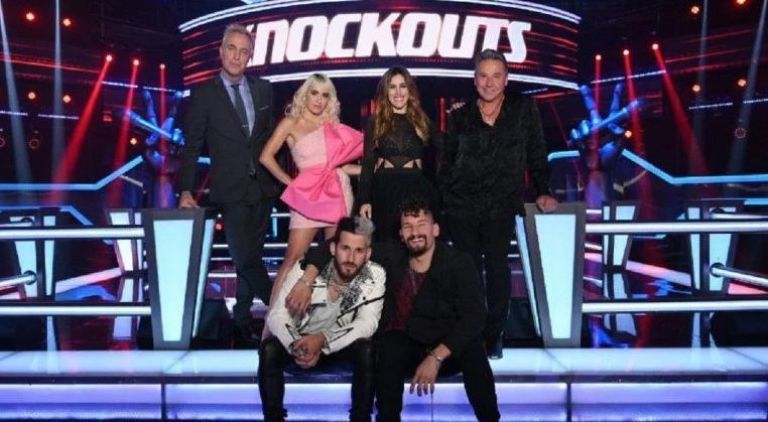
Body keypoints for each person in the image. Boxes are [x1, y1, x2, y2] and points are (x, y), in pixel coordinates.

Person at [295, 196, 499, 422]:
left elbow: (475, 317)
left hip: (447, 348)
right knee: (389, 346)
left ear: (435, 229)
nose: (415, 232)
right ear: (401, 234)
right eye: (408, 227)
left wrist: (436, 357)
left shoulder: (459, 262)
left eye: (421, 225)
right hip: (405, 345)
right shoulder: (391, 254)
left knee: (473, 349)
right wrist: (306, 281)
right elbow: (331, 246)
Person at [439, 49, 558, 359]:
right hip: (462, 205)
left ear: (506, 79)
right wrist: (441, 205)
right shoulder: (460, 116)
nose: (489, 83)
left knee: (497, 268)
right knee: (468, 273)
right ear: (474, 79)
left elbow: (536, 151)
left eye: (496, 76)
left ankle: (493, 335)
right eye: (483, 76)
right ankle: (471, 333)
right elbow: (446, 164)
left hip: (502, 203)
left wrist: (543, 190)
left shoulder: (523, 108)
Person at [178, 23, 277, 348]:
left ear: (250, 56)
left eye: (243, 51)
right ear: (221, 52)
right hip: (230, 190)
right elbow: (192, 146)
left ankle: (243, 322)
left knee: (252, 257)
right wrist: (186, 190)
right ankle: (283, 310)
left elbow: (271, 140)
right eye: (231, 49)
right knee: (243, 256)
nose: (236, 56)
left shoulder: (264, 89)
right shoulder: (204, 94)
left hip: (262, 189)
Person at [258, 216, 385, 422]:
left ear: (368, 254)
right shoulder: (303, 270)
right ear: (333, 248)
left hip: (337, 345)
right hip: (299, 345)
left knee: (366, 349)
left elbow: (367, 323)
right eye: (345, 248)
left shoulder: (374, 275)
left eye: (359, 251)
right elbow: (277, 315)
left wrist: (323, 340)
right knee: (269, 348)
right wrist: (297, 345)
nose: (351, 257)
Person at [259, 73, 363, 306]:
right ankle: (272, 323)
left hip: (339, 191)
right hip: (308, 196)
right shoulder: (290, 123)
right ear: (305, 94)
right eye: (314, 93)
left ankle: (329, 321)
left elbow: (342, 166)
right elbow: (266, 157)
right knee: (293, 259)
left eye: (325, 95)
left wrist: (372, 170)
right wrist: (291, 183)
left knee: (336, 259)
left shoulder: (331, 125)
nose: (318, 99)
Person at [357, 66, 440, 242]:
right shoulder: (375, 121)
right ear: (386, 92)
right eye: (392, 87)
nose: (398, 92)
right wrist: (364, 199)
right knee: (384, 245)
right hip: (384, 189)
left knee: (415, 243)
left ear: (410, 90)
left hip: (416, 188)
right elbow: (368, 163)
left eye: (403, 86)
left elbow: (446, 149)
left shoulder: (422, 120)